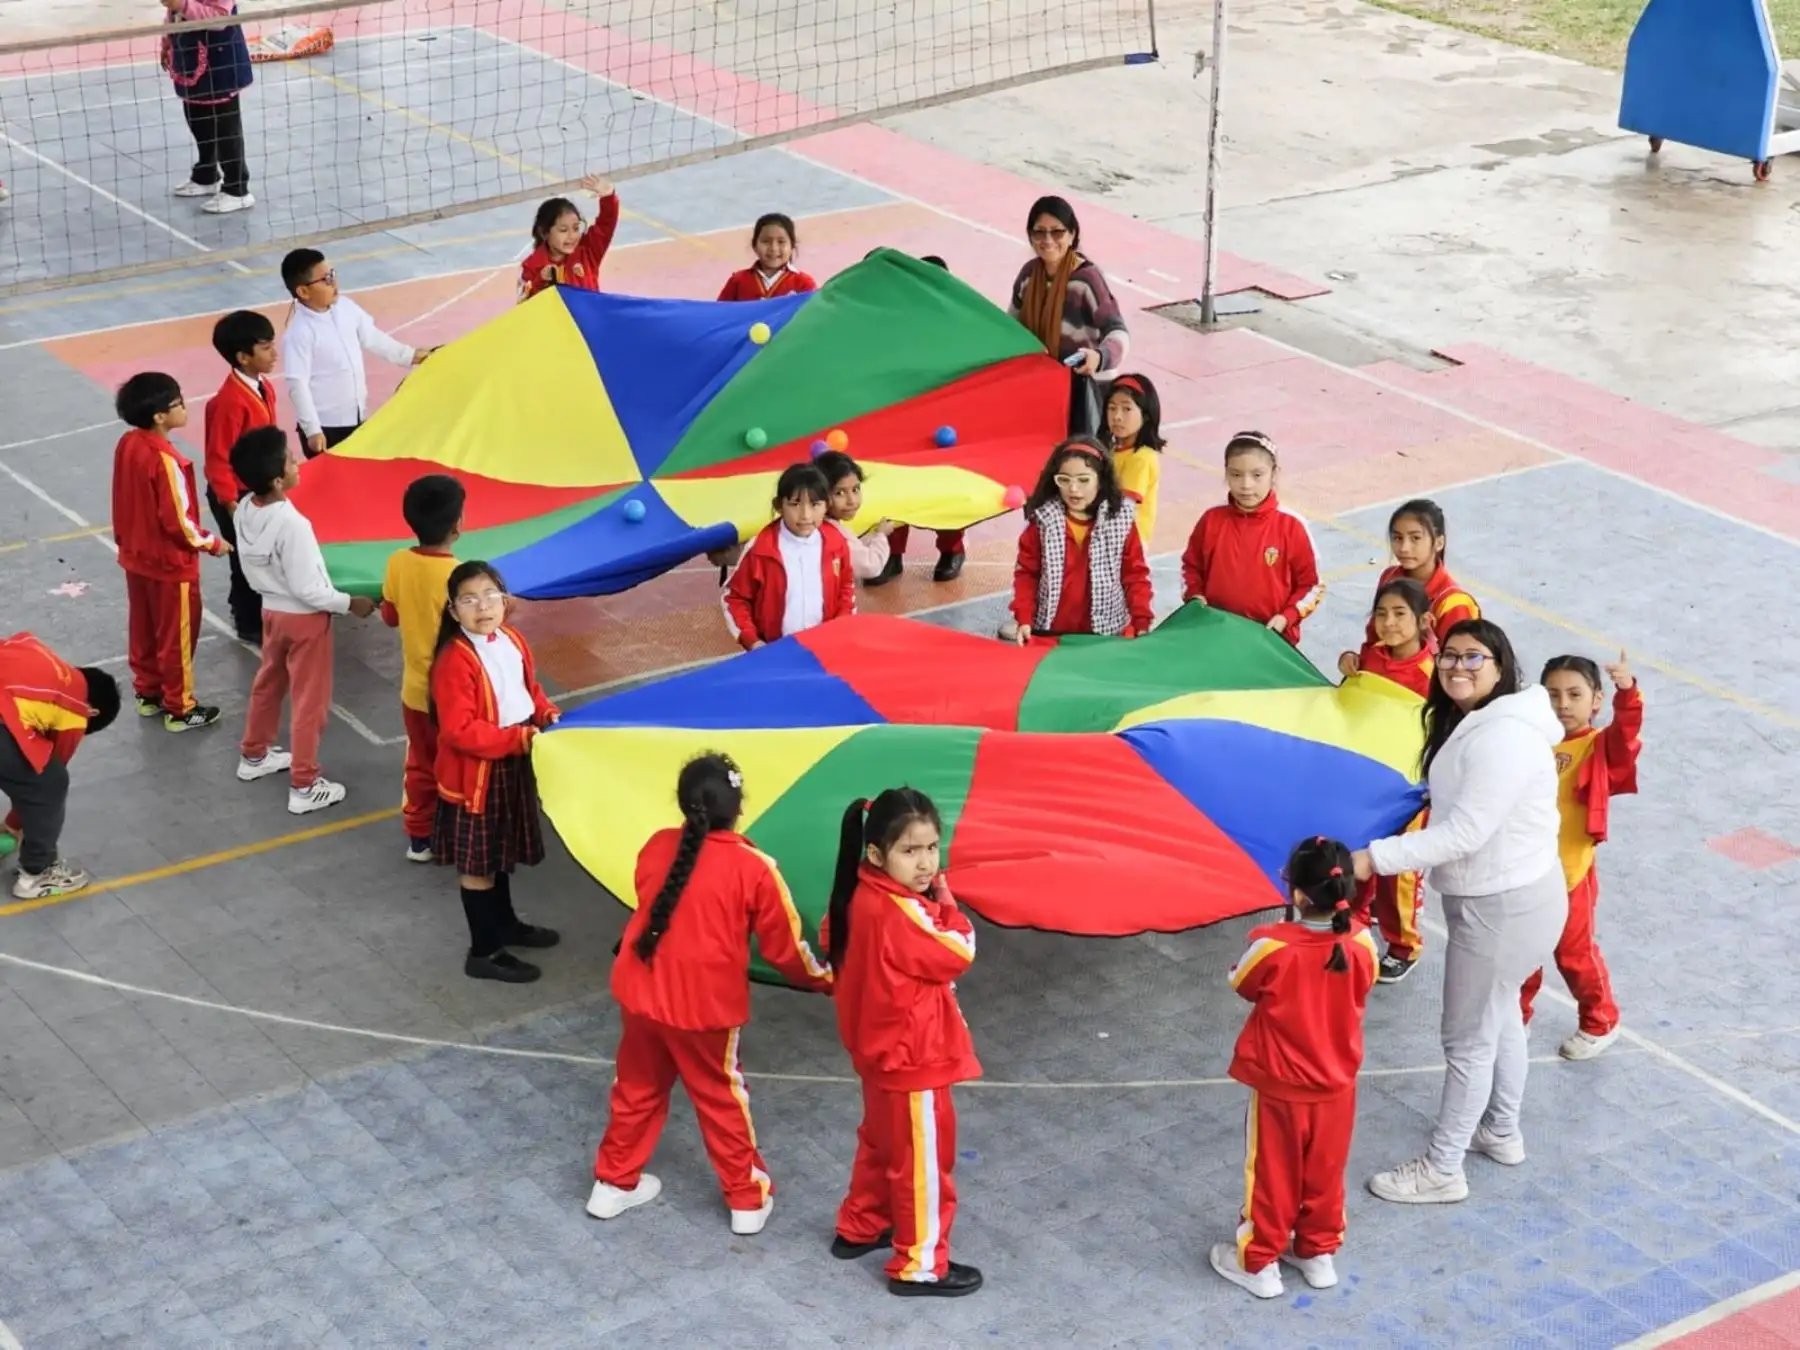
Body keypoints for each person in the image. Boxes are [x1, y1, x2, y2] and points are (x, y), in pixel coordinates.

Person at [1352, 620, 1566, 1205]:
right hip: (1523, 899)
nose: (1458, 666)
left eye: (1475, 657)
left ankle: (1443, 1169)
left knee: (1467, 1041)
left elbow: (1465, 832)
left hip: (1500, 909)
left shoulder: (1504, 739)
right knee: (1500, 1017)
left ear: (1502, 667)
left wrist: (1372, 859)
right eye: (1450, 655)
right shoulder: (1491, 724)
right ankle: (1501, 1130)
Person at [588, 754, 833, 1233]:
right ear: (738, 807)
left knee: (635, 1089)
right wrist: (827, 979)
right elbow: (786, 949)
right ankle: (745, 1198)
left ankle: (612, 1184)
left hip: (641, 993)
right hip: (704, 1010)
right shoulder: (754, 867)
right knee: (721, 1098)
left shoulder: (658, 846)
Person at [822, 789, 983, 1297]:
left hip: (877, 1052)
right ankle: (920, 1264)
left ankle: (861, 1224)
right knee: (924, 1163)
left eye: (932, 848)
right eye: (910, 851)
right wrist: (949, 906)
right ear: (876, 854)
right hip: (914, 1055)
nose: (926, 863)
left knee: (880, 1143)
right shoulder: (903, 913)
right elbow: (958, 951)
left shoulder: (856, 898)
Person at [1210, 836, 1377, 1300]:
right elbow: (1364, 984)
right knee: (1325, 1171)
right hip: (1338, 1084)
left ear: (1298, 895)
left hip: (1281, 1086)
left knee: (1271, 1173)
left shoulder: (1272, 946)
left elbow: (1240, 982)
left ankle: (1259, 1260)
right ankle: (1317, 1251)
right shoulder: (1363, 941)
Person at [231, 428, 376, 815]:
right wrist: (350, 603)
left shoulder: (245, 508)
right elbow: (310, 589)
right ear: (279, 479)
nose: (297, 464)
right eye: (291, 460)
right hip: (305, 620)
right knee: (310, 703)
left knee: (268, 683)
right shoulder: (294, 525)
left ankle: (255, 754)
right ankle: (305, 784)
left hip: (271, 612)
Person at [430, 562, 562, 983]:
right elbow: (459, 731)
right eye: (469, 599)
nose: (481, 607)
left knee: (499, 851)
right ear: (454, 611)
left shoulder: (512, 639)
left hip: (511, 761)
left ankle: (504, 926)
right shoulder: (455, 661)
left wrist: (545, 712)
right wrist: (519, 740)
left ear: (505, 601)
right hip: (477, 777)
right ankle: (484, 951)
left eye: (490, 596)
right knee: (478, 864)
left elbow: (529, 689)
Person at [1522, 653, 1641, 1060]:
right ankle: (1514, 1018)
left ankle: (1600, 1020)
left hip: (1571, 873)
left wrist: (1629, 694)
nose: (1563, 704)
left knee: (1573, 955)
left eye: (1575, 694)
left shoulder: (1598, 746)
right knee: (1521, 950)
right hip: (1523, 869)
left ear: (1596, 700)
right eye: (1553, 694)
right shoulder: (1527, 740)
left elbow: (1626, 734)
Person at [110, 371, 230, 731]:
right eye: (177, 403)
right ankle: (180, 708)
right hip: (170, 565)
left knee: (144, 628)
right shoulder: (167, 460)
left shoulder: (128, 444)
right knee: (176, 636)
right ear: (160, 416)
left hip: (137, 558)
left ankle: (148, 693)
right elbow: (179, 522)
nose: (184, 406)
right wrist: (212, 543)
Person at [1339, 577, 1435, 983]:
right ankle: (1355, 928)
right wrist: (1348, 667)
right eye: (1381, 614)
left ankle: (1403, 946)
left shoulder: (1433, 674)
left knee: (1399, 872)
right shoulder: (1370, 656)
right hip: (1367, 778)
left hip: (1409, 788)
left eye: (1399, 614)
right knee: (1360, 855)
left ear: (1424, 620)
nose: (1389, 623)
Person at [381, 475, 464, 863]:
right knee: (458, 763)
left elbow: (390, 616)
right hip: (455, 696)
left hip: (414, 691)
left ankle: (420, 836)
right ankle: (459, 831)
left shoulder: (397, 563)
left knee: (420, 762)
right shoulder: (460, 577)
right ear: (457, 526)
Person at [278, 249, 433, 456]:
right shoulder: (299, 333)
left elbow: (373, 337)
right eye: (325, 280)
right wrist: (312, 430)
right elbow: (298, 384)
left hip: (358, 417)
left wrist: (410, 355)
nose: (334, 284)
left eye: (332, 275)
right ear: (303, 292)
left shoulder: (345, 307)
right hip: (327, 428)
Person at [0, 634, 120, 901]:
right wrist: (14, 824)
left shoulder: (38, 652)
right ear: (92, 712)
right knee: (50, 782)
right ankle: (38, 873)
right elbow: (42, 778)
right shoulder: (75, 705)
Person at [870, 252, 965, 586]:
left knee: (946, 487)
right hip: (901, 421)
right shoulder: (894, 321)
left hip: (945, 423)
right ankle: (891, 555)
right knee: (894, 484)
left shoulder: (962, 324)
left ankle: (952, 549)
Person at [1179, 431, 1323, 647]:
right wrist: (1195, 596)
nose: (1246, 485)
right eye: (1236, 475)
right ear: (1226, 473)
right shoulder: (1211, 520)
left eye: (1257, 475)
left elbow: (1311, 586)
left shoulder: (1292, 526)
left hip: (1271, 641)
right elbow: (1190, 567)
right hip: (1216, 636)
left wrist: (1287, 617)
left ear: (1274, 474)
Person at [1005, 438, 1153, 645]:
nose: (1073, 489)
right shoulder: (1042, 521)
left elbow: (1135, 575)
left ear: (1100, 480)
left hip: (1106, 632)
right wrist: (1024, 619)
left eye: (1083, 480)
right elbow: (1027, 574)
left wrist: (1142, 620)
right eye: (1064, 480)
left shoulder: (1120, 520)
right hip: (1051, 631)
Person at [1009, 195, 1129, 436]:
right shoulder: (1029, 275)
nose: (1048, 240)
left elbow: (1118, 333)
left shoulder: (1086, 280)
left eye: (1057, 232)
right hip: (1046, 392)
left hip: (1087, 396)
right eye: (1039, 232)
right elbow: (1011, 327)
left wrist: (1099, 356)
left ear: (1072, 235)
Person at [204, 309, 280, 643]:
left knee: (259, 554)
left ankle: (252, 609)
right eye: (265, 348)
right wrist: (230, 502)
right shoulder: (230, 402)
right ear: (243, 357)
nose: (274, 353)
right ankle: (248, 621)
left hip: (257, 489)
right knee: (245, 559)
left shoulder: (264, 387)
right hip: (235, 495)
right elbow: (218, 458)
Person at [722, 463, 855, 651]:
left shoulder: (836, 542)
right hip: (775, 652)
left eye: (815, 504)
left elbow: (846, 588)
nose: (805, 515)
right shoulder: (760, 549)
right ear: (779, 506)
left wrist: (840, 628)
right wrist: (753, 641)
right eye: (794, 504)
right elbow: (734, 598)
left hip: (825, 650)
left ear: (827, 506)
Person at [1342, 500, 1479, 667]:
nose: (1404, 548)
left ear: (1439, 543)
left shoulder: (1453, 603)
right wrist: (1357, 660)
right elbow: (1375, 636)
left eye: (1415, 538)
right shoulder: (1389, 577)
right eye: (1397, 538)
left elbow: (1460, 666)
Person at [162, 0, 254, 214]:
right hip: (190, 53)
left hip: (219, 59)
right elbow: (172, 10)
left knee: (224, 126)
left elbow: (220, 18)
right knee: (196, 116)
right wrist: (167, 39)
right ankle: (207, 175)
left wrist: (182, 5)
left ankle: (237, 188)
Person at [518, 175, 619, 302]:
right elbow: (523, 305)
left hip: (588, 320)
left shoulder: (587, 251)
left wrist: (608, 197)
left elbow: (605, 225)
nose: (572, 236)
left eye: (576, 228)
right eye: (563, 230)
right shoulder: (530, 266)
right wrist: (540, 281)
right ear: (544, 233)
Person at [814, 450, 895, 581]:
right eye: (839, 493)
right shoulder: (834, 535)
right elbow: (871, 566)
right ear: (820, 493)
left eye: (855, 489)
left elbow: (853, 549)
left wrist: (873, 536)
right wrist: (881, 536)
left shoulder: (817, 525)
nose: (852, 500)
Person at [1103, 373, 1165, 547]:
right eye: (1112, 408)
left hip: (1127, 547)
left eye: (1126, 409)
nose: (1117, 416)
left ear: (1145, 415)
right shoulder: (1113, 451)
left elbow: (1122, 509)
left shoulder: (1142, 458)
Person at [717, 214, 817, 300]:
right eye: (766, 241)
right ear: (754, 245)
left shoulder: (804, 283)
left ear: (792, 246)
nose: (773, 248)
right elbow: (720, 313)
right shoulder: (738, 281)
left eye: (781, 242)